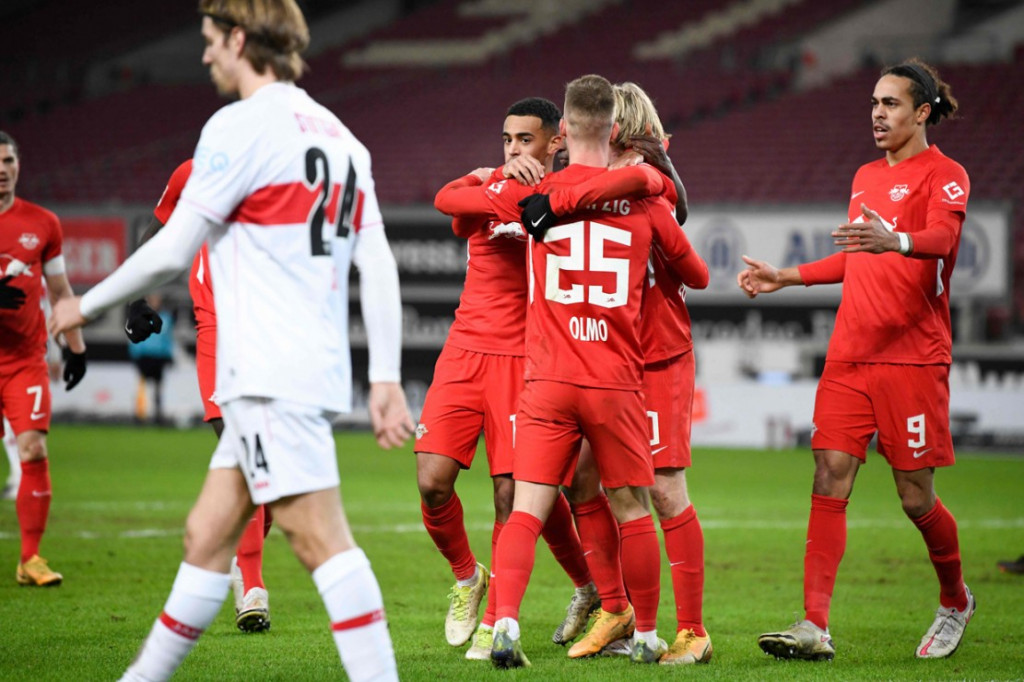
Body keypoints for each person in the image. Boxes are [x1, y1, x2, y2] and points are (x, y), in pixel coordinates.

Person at [49, 2, 413, 680]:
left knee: (318, 539)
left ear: (240, 39)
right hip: (296, 370)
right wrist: (385, 377)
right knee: (207, 535)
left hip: (268, 373)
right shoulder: (340, 136)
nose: (206, 56)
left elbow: (170, 252)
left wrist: (81, 304)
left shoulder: (239, 126)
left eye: (212, 42)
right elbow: (379, 260)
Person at [738, 58, 973, 661]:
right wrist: (786, 277)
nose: (877, 112)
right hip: (850, 355)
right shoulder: (865, 176)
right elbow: (856, 257)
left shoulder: (945, 175)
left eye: (891, 103)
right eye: (873, 102)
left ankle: (955, 600)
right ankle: (814, 625)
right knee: (828, 475)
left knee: (915, 496)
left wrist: (892, 239)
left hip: (913, 359)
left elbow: (943, 241)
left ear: (922, 112)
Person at [473, 73, 706, 669]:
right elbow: (698, 272)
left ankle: (506, 623)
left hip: (579, 371)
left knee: (539, 503)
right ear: (616, 131)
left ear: (565, 132)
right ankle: (632, 619)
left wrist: (526, 191)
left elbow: (452, 203)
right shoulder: (645, 198)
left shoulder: (544, 193)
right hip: (615, 374)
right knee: (607, 495)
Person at [419, 97, 600, 660]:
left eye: (526, 139)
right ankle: (468, 577)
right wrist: (497, 178)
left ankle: (501, 618)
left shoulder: (567, 198)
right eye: (507, 139)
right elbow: (446, 199)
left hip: (528, 362)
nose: (515, 149)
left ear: (556, 141)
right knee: (432, 481)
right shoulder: (487, 184)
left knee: (513, 495)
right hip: (465, 352)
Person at [563, 82, 712, 665]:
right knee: (580, 479)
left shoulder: (654, 187)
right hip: (605, 359)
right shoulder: (611, 183)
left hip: (657, 356)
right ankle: (617, 610)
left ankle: (694, 631)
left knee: (664, 488)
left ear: (618, 134)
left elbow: (687, 262)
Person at [126, 158, 274, 632]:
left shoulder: (292, 168)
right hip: (216, 331)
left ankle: (240, 557)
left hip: (270, 330)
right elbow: (159, 229)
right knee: (241, 451)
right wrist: (135, 292)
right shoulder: (195, 170)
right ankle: (252, 585)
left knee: (266, 467)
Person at [0, 130, 88, 587]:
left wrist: (75, 349)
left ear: (18, 166)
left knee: (33, 448)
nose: (2, 169)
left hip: (23, 360)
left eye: (8, 161)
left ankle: (30, 558)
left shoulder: (43, 223)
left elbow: (59, 292)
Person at [127, 292, 175, 424]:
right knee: (142, 387)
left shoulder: (166, 317)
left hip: (159, 357)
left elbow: (168, 338)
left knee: (158, 388)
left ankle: (158, 415)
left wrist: (169, 355)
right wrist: (135, 354)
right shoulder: (140, 316)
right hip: (144, 356)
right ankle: (139, 415)